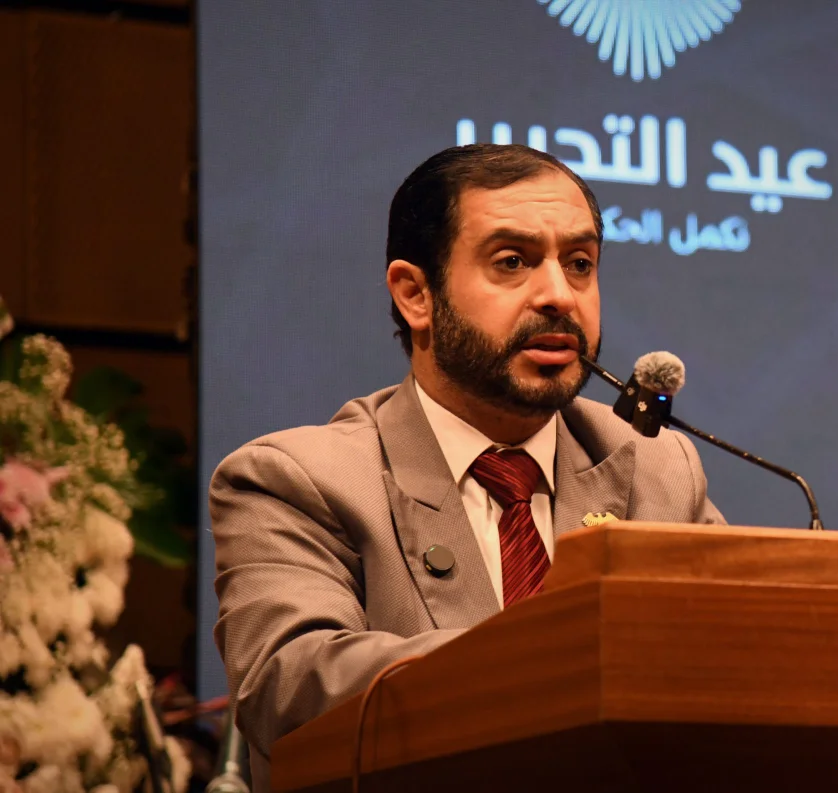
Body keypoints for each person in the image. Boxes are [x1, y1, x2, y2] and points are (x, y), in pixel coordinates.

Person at [210, 143, 724, 789]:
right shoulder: (295, 479)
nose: (559, 296)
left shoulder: (656, 467)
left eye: (580, 264)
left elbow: (733, 664)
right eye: (512, 262)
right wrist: (571, 660)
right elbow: (291, 687)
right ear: (415, 295)